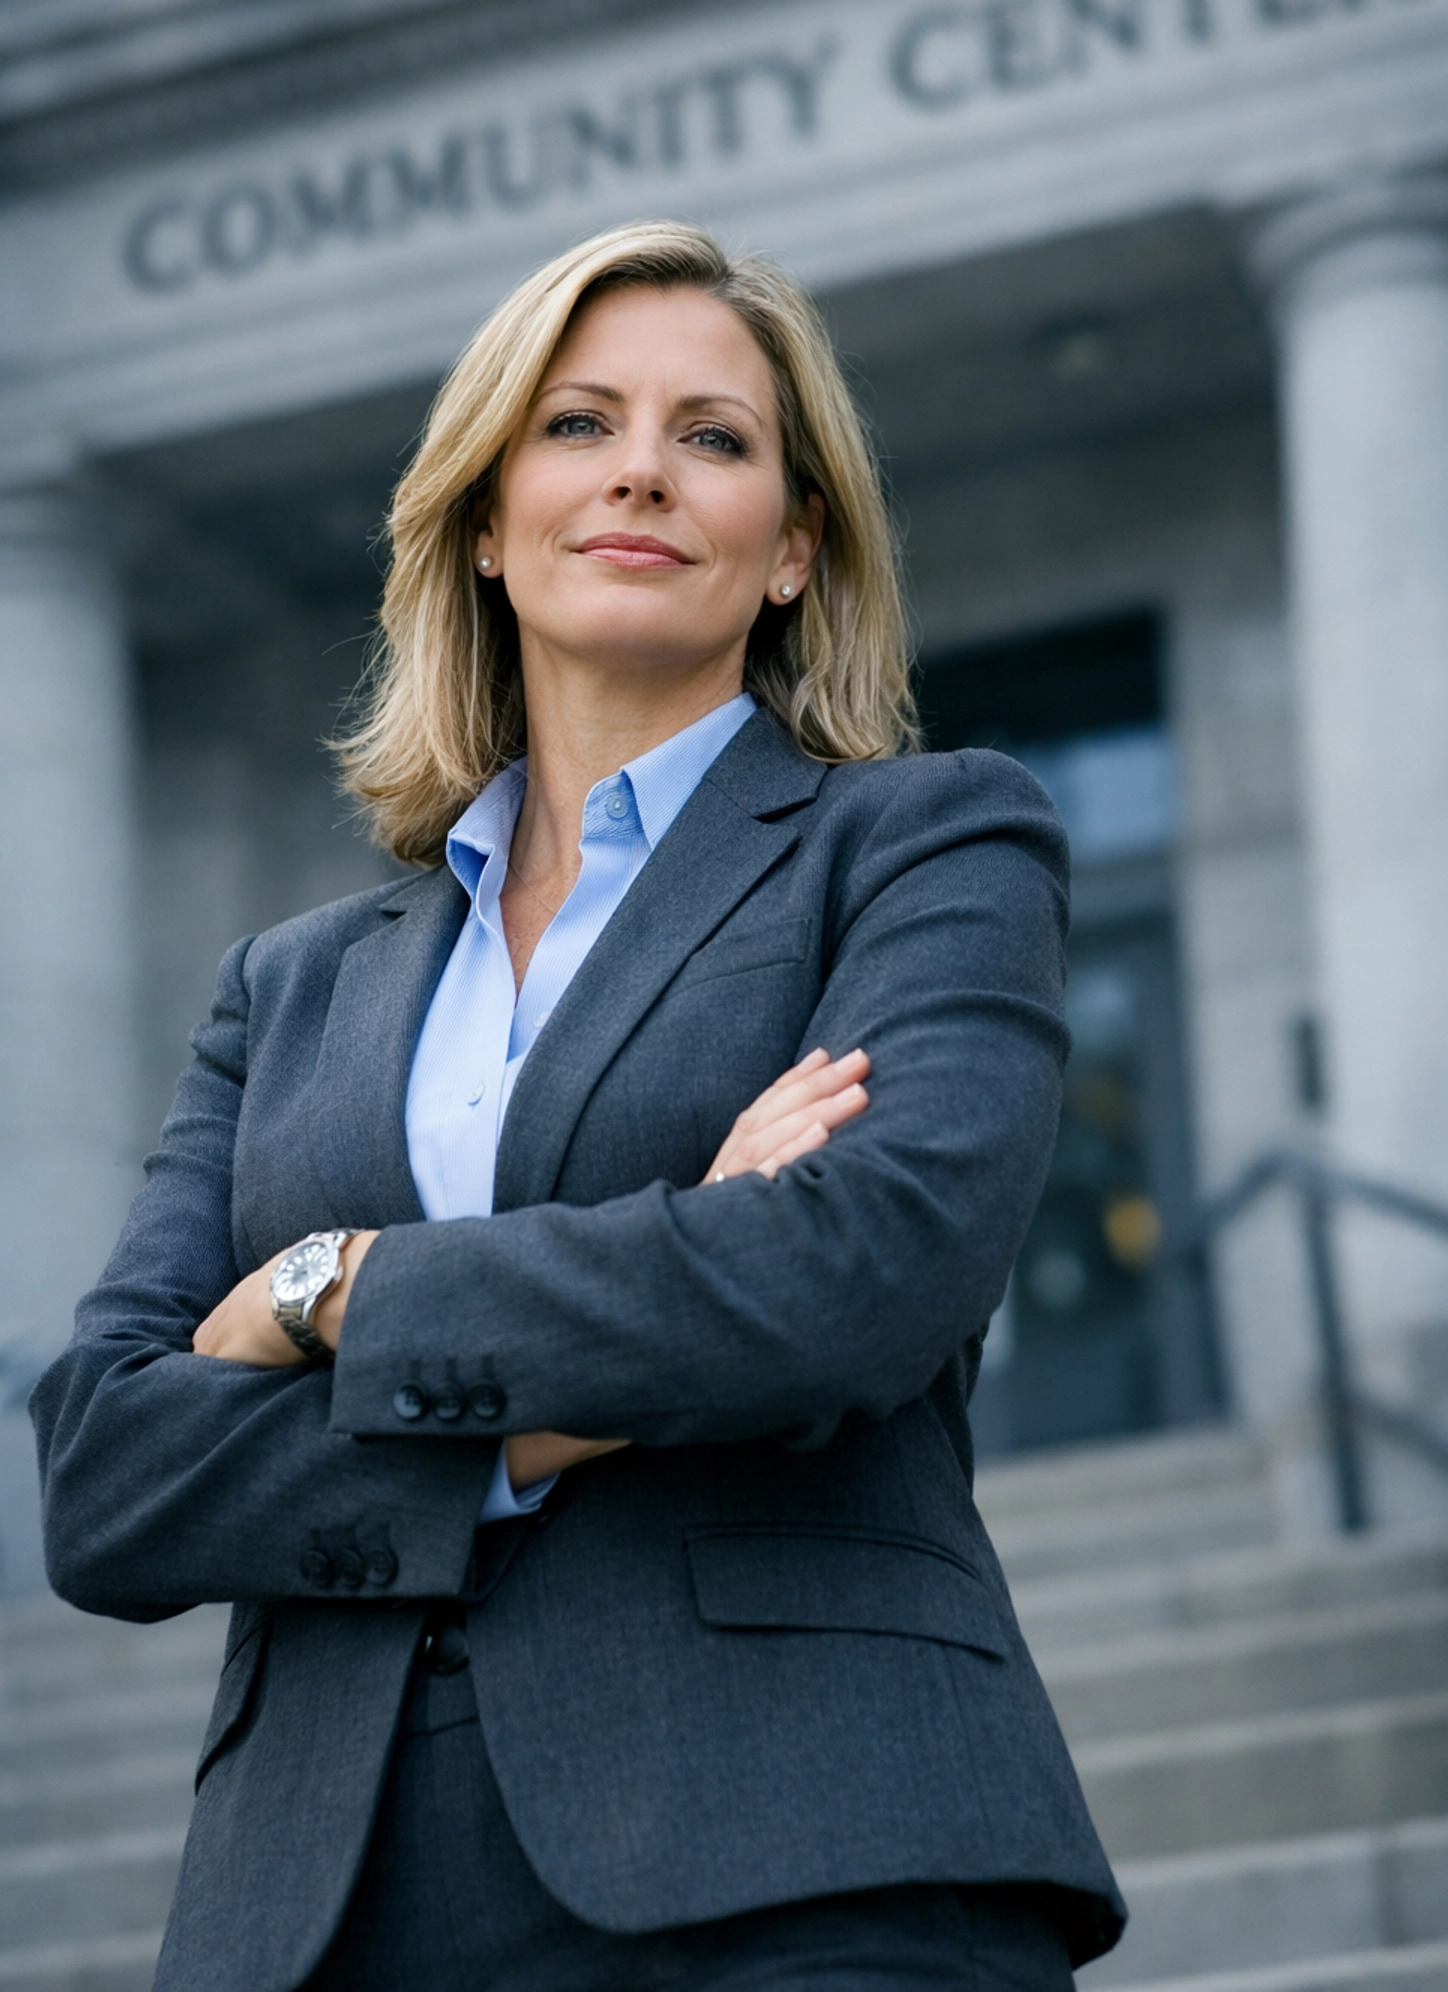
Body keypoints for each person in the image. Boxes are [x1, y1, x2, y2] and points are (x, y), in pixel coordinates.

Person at [32, 221, 1125, 1992]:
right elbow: (103, 1482)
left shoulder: (924, 842)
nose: (641, 469)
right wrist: (655, 1286)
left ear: (792, 548)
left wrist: (329, 1291)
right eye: (575, 423)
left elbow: (856, 1275)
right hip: (322, 1902)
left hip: (813, 1851)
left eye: (713, 437)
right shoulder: (287, 988)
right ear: (481, 517)